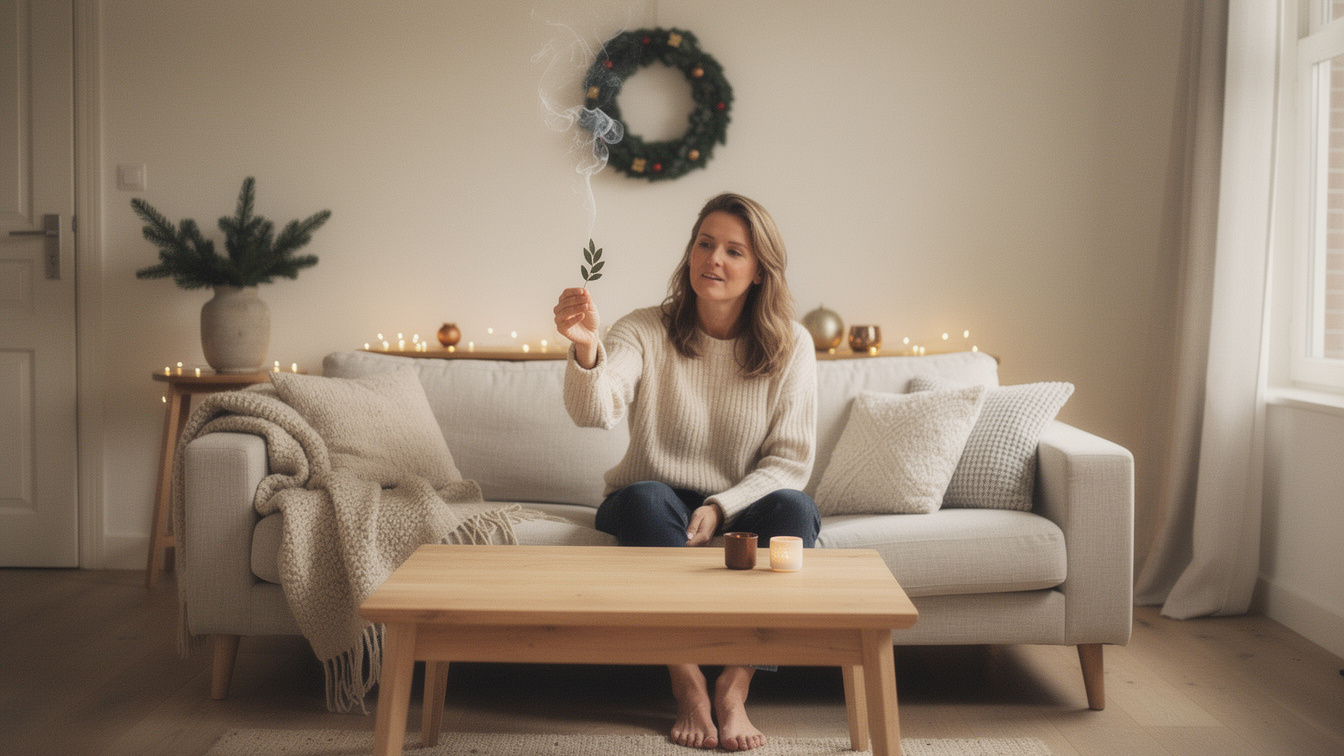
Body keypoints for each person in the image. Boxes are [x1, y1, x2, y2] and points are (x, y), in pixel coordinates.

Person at [552, 193, 819, 751]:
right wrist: (584, 352)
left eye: (733, 250)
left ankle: (735, 685)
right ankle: (687, 680)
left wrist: (723, 506)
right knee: (648, 499)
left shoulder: (791, 343)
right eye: (704, 243)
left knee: (797, 509)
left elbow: (790, 462)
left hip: (741, 502)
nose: (713, 259)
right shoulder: (643, 330)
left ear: (759, 272)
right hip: (650, 496)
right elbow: (593, 411)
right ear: (689, 252)